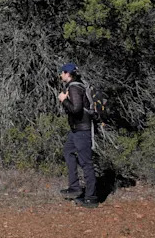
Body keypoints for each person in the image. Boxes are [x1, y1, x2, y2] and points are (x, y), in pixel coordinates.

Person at [58, 62, 98, 208]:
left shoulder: (74, 87)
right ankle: (74, 187)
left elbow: (76, 109)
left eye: (62, 72)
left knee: (86, 163)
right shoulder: (76, 85)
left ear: (67, 74)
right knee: (68, 151)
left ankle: (91, 197)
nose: (61, 75)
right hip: (76, 130)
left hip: (82, 130)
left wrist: (64, 100)